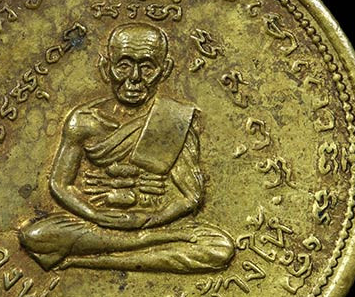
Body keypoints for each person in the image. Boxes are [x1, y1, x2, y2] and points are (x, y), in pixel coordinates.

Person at [19, 23, 234, 273]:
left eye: (147, 67)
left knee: (219, 248)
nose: (134, 78)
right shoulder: (84, 121)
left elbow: (191, 197)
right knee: (36, 236)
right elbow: (60, 184)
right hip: (95, 223)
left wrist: (149, 220)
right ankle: (141, 247)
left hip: (155, 225)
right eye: (123, 66)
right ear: (106, 68)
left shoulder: (173, 119)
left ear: (164, 70)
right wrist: (94, 214)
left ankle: (89, 259)